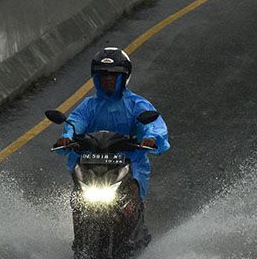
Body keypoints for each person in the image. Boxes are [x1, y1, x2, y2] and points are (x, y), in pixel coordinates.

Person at [55, 46, 170, 204]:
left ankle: (136, 218)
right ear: (96, 77)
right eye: (103, 74)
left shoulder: (137, 104)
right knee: (78, 201)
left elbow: (153, 124)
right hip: (92, 164)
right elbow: (76, 122)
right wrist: (67, 137)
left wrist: (151, 137)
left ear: (124, 77)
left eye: (113, 74)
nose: (107, 79)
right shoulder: (88, 105)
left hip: (129, 164)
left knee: (132, 197)